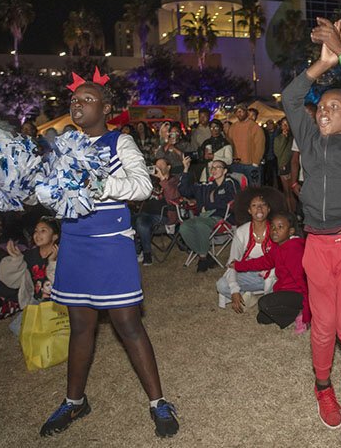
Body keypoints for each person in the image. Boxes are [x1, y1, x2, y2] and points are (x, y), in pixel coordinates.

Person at [41, 73, 178, 438]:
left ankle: (158, 402)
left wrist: (99, 184)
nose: (77, 104)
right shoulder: (64, 145)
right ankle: (74, 402)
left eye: (86, 99)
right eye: (74, 100)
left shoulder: (121, 141)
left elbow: (142, 187)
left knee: (128, 325)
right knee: (81, 327)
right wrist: (30, 187)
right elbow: (52, 198)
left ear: (106, 108)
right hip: (74, 243)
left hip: (110, 243)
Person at [282, 18, 341, 440]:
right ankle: (324, 387)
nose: (323, 111)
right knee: (322, 327)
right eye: (322, 107)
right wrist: (323, 64)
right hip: (315, 245)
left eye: (334, 107)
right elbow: (292, 95)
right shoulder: (309, 135)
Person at [232, 211, 310, 334]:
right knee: (262, 318)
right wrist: (238, 265)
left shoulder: (294, 249)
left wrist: (307, 312)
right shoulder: (277, 247)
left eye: (280, 227)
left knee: (264, 303)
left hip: (298, 294)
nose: (274, 230)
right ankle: (292, 312)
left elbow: (303, 281)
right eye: (272, 227)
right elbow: (264, 262)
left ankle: (299, 313)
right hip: (285, 291)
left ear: (291, 231)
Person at [216, 192, 276, 311]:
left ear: (268, 209)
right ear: (249, 210)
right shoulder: (241, 232)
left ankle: (264, 295)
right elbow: (233, 262)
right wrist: (234, 290)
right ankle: (249, 297)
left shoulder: (277, 229)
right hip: (249, 275)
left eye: (263, 204)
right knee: (222, 284)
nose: (259, 208)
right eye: (254, 205)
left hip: (274, 276)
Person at [179, 156, 239, 272]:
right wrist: (186, 169)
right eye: (212, 168)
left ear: (225, 171)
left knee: (200, 225)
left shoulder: (230, 183)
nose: (214, 170)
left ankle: (202, 258)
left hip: (221, 218)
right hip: (203, 217)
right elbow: (184, 191)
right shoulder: (205, 186)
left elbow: (234, 200)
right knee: (184, 227)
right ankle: (206, 254)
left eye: (218, 167)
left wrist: (208, 207)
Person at [134, 157, 182, 265]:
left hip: (163, 216)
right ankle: (137, 250)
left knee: (141, 222)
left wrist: (162, 179)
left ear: (168, 167)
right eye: (156, 165)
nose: (158, 167)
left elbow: (173, 196)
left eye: (161, 165)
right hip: (145, 213)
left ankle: (147, 254)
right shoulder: (151, 181)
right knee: (125, 221)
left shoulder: (174, 180)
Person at [228, 105, 266, 186]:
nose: (239, 113)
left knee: (253, 190)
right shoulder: (233, 127)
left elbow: (260, 145)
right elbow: (229, 143)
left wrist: (255, 162)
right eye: (237, 112)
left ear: (247, 112)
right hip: (236, 165)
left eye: (241, 111)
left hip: (251, 165)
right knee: (238, 189)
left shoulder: (254, 127)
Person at [274, 119, 297, 213]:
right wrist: (284, 137)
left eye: (287, 124)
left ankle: (296, 212)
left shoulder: (294, 137)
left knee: (293, 191)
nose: (285, 126)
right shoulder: (278, 138)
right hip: (283, 165)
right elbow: (278, 152)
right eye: (283, 124)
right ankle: (290, 212)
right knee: (287, 191)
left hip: (293, 165)